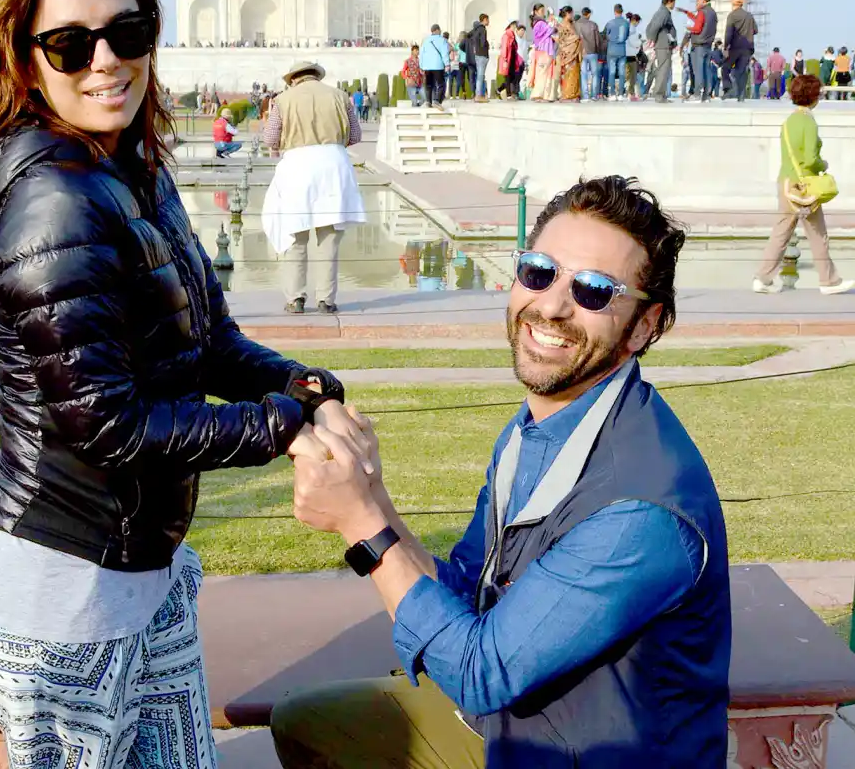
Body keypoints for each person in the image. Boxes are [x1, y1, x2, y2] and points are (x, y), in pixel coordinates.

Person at [0, 0, 364, 769]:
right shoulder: (53, 201)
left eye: (127, 33)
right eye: (70, 43)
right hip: (57, 587)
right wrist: (279, 425)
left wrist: (298, 384)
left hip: (138, 566)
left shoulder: (132, 168)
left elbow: (207, 338)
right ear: (25, 60)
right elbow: (109, 426)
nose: (106, 61)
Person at [274, 175, 732, 769]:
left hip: (589, 754)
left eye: (594, 290)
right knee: (305, 723)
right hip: (517, 733)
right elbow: (468, 589)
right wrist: (371, 493)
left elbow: (480, 673)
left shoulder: (641, 512)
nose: (552, 306)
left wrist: (361, 525)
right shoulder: (539, 428)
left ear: (645, 325)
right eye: (540, 272)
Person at [262, 60, 367, 314]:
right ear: (316, 77)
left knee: (295, 234)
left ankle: (296, 299)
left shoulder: (283, 100)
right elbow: (355, 135)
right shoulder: (339, 96)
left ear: (293, 79)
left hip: (297, 166)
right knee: (329, 236)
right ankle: (326, 300)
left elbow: (270, 139)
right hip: (333, 164)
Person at [752, 74, 854, 296]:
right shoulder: (808, 122)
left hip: (786, 183)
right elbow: (809, 159)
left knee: (781, 233)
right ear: (813, 96)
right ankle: (829, 281)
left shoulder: (789, 121)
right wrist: (823, 164)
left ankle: (762, 278)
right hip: (805, 187)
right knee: (818, 235)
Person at [677, 0, 718, 102]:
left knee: (698, 71)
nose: (696, 3)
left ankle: (696, 94)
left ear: (703, 1)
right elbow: (699, 21)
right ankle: (707, 95)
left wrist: (689, 28)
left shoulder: (702, 12)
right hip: (708, 45)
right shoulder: (713, 13)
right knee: (707, 71)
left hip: (699, 45)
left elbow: (697, 28)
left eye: (698, 1)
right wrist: (686, 12)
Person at [724, 0, 758, 102]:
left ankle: (728, 87)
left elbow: (728, 33)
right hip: (747, 48)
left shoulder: (732, 15)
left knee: (725, 67)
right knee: (742, 71)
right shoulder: (749, 16)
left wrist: (725, 47)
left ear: (733, 4)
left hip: (735, 47)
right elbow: (755, 30)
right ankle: (741, 95)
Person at [645, 0, 678, 102]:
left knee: (664, 70)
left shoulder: (662, 12)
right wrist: (652, 39)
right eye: (674, 2)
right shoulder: (663, 13)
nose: (674, 5)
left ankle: (661, 95)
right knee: (663, 70)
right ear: (669, 1)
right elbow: (654, 27)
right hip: (663, 45)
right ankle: (659, 95)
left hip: (664, 45)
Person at [526, 4, 557, 101]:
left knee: (546, 72)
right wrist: (552, 21)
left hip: (544, 50)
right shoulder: (540, 23)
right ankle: (538, 94)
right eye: (541, 11)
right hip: (543, 50)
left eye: (544, 11)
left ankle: (545, 95)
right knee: (543, 73)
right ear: (536, 12)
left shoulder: (540, 22)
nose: (543, 13)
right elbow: (550, 30)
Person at [419, 25, 451, 108]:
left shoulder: (426, 40)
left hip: (427, 67)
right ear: (437, 30)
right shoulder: (442, 40)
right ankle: (437, 101)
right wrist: (447, 64)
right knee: (441, 84)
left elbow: (421, 54)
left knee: (428, 85)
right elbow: (444, 53)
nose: (440, 31)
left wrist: (421, 66)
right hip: (438, 66)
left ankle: (428, 102)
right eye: (440, 30)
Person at [603, 4, 630, 98]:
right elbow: (627, 35)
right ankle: (621, 94)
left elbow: (606, 35)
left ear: (614, 11)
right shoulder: (626, 23)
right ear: (622, 11)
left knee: (612, 72)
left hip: (611, 50)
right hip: (622, 50)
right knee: (622, 72)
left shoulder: (610, 23)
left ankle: (612, 94)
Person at [556, 7, 582, 101]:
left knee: (570, 74)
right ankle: (569, 95)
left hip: (567, 53)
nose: (572, 15)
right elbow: (570, 38)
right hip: (570, 53)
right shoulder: (566, 25)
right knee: (571, 74)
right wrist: (577, 38)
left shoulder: (565, 24)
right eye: (571, 13)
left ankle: (570, 95)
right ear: (567, 13)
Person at [574, 7, 600, 100]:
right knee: (595, 74)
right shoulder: (593, 24)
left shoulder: (576, 24)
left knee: (583, 74)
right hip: (592, 52)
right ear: (588, 14)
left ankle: (585, 96)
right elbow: (597, 40)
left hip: (581, 52)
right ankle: (594, 95)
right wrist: (598, 50)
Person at [466, 14, 490, 99]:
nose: (489, 22)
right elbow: (483, 43)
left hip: (477, 55)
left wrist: (474, 47)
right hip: (482, 54)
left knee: (480, 76)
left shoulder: (475, 29)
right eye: (488, 20)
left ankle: (479, 94)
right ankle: (479, 95)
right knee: (480, 76)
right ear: (484, 19)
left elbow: (467, 35)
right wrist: (487, 44)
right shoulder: (482, 29)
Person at [496, 20, 521, 99]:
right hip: (507, 59)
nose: (516, 27)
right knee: (508, 77)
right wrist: (505, 60)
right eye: (515, 25)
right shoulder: (506, 35)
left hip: (513, 59)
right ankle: (508, 95)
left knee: (513, 77)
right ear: (511, 25)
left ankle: (500, 89)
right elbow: (504, 48)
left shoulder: (512, 35)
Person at [624, 13, 644, 99]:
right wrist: (640, 42)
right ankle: (630, 94)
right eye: (638, 22)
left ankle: (629, 93)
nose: (638, 24)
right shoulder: (632, 29)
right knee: (632, 77)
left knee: (629, 76)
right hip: (631, 55)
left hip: (626, 54)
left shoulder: (627, 27)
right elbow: (633, 42)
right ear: (635, 21)